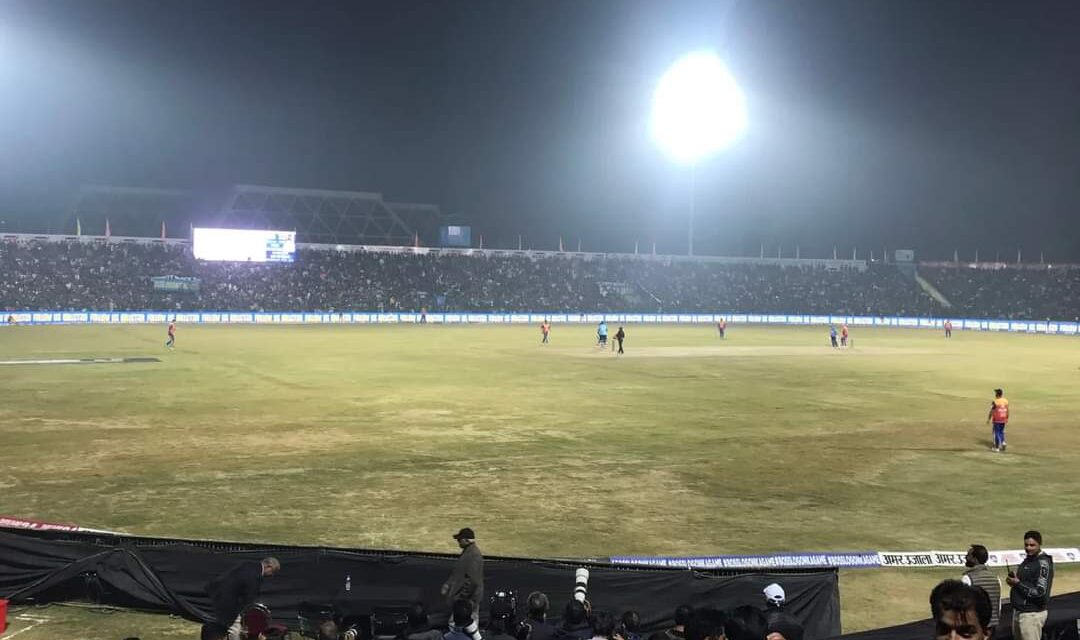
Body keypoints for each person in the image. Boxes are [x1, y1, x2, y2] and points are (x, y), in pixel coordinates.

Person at [204, 557, 281, 640]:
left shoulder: (249, 564)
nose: (272, 575)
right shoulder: (256, 575)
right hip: (228, 601)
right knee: (235, 628)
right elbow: (250, 597)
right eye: (273, 572)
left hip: (218, 592)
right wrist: (258, 608)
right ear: (269, 566)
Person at [1007, 530, 1054, 640]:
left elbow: (1040, 592)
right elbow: (1025, 583)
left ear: (1039, 544)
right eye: (1026, 545)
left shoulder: (1043, 564)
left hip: (1032, 614)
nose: (1028, 548)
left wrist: (1017, 583)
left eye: (1032, 545)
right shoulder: (1028, 560)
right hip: (1020, 611)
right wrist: (1014, 581)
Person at [441, 528, 484, 618]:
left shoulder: (473, 555)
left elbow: (473, 581)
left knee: (461, 627)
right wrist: (448, 585)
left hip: (467, 604)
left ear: (466, 540)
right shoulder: (468, 553)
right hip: (464, 602)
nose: (458, 541)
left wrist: (462, 598)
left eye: (459, 539)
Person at [960, 545, 1001, 635]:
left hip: (975, 627)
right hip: (992, 626)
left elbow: (963, 605)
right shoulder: (996, 578)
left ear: (975, 559)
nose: (966, 557)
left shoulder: (968, 578)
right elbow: (998, 605)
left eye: (968, 555)